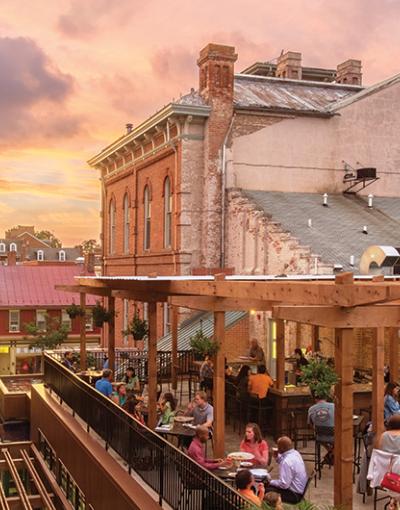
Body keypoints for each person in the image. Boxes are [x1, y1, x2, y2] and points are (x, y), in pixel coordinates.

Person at [264, 436, 307, 504]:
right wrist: (277, 457)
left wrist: (270, 481)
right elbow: (284, 459)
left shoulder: (286, 462)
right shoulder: (295, 453)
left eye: (278, 446)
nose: (277, 448)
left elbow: (284, 485)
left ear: (282, 448)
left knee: (265, 490)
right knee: (268, 486)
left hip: (293, 494)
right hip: (299, 490)